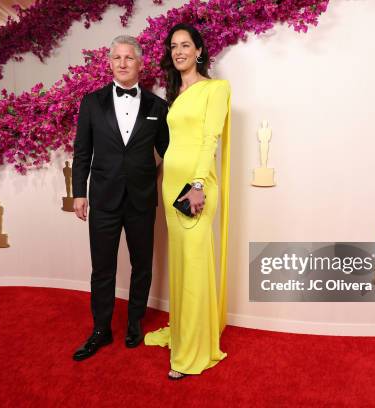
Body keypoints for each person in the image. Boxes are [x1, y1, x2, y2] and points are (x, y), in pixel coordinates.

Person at [71, 35, 170, 361]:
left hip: (142, 199)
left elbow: (172, 152)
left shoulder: (158, 106)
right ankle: (100, 329)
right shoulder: (91, 102)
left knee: (142, 265)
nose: (123, 63)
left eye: (130, 58)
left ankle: (134, 323)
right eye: (117, 58)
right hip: (103, 198)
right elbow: (82, 152)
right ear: (110, 62)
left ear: (141, 64)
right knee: (102, 268)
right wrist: (80, 194)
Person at [144, 23, 231, 380]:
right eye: (174, 46)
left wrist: (197, 184)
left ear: (199, 50)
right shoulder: (174, 96)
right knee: (181, 263)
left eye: (186, 45)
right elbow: (168, 144)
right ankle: (182, 331)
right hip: (171, 186)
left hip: (195, 187)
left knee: (194, 264)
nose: (179, 51)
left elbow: (210, 137)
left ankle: (193, 351)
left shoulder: (216, 88)